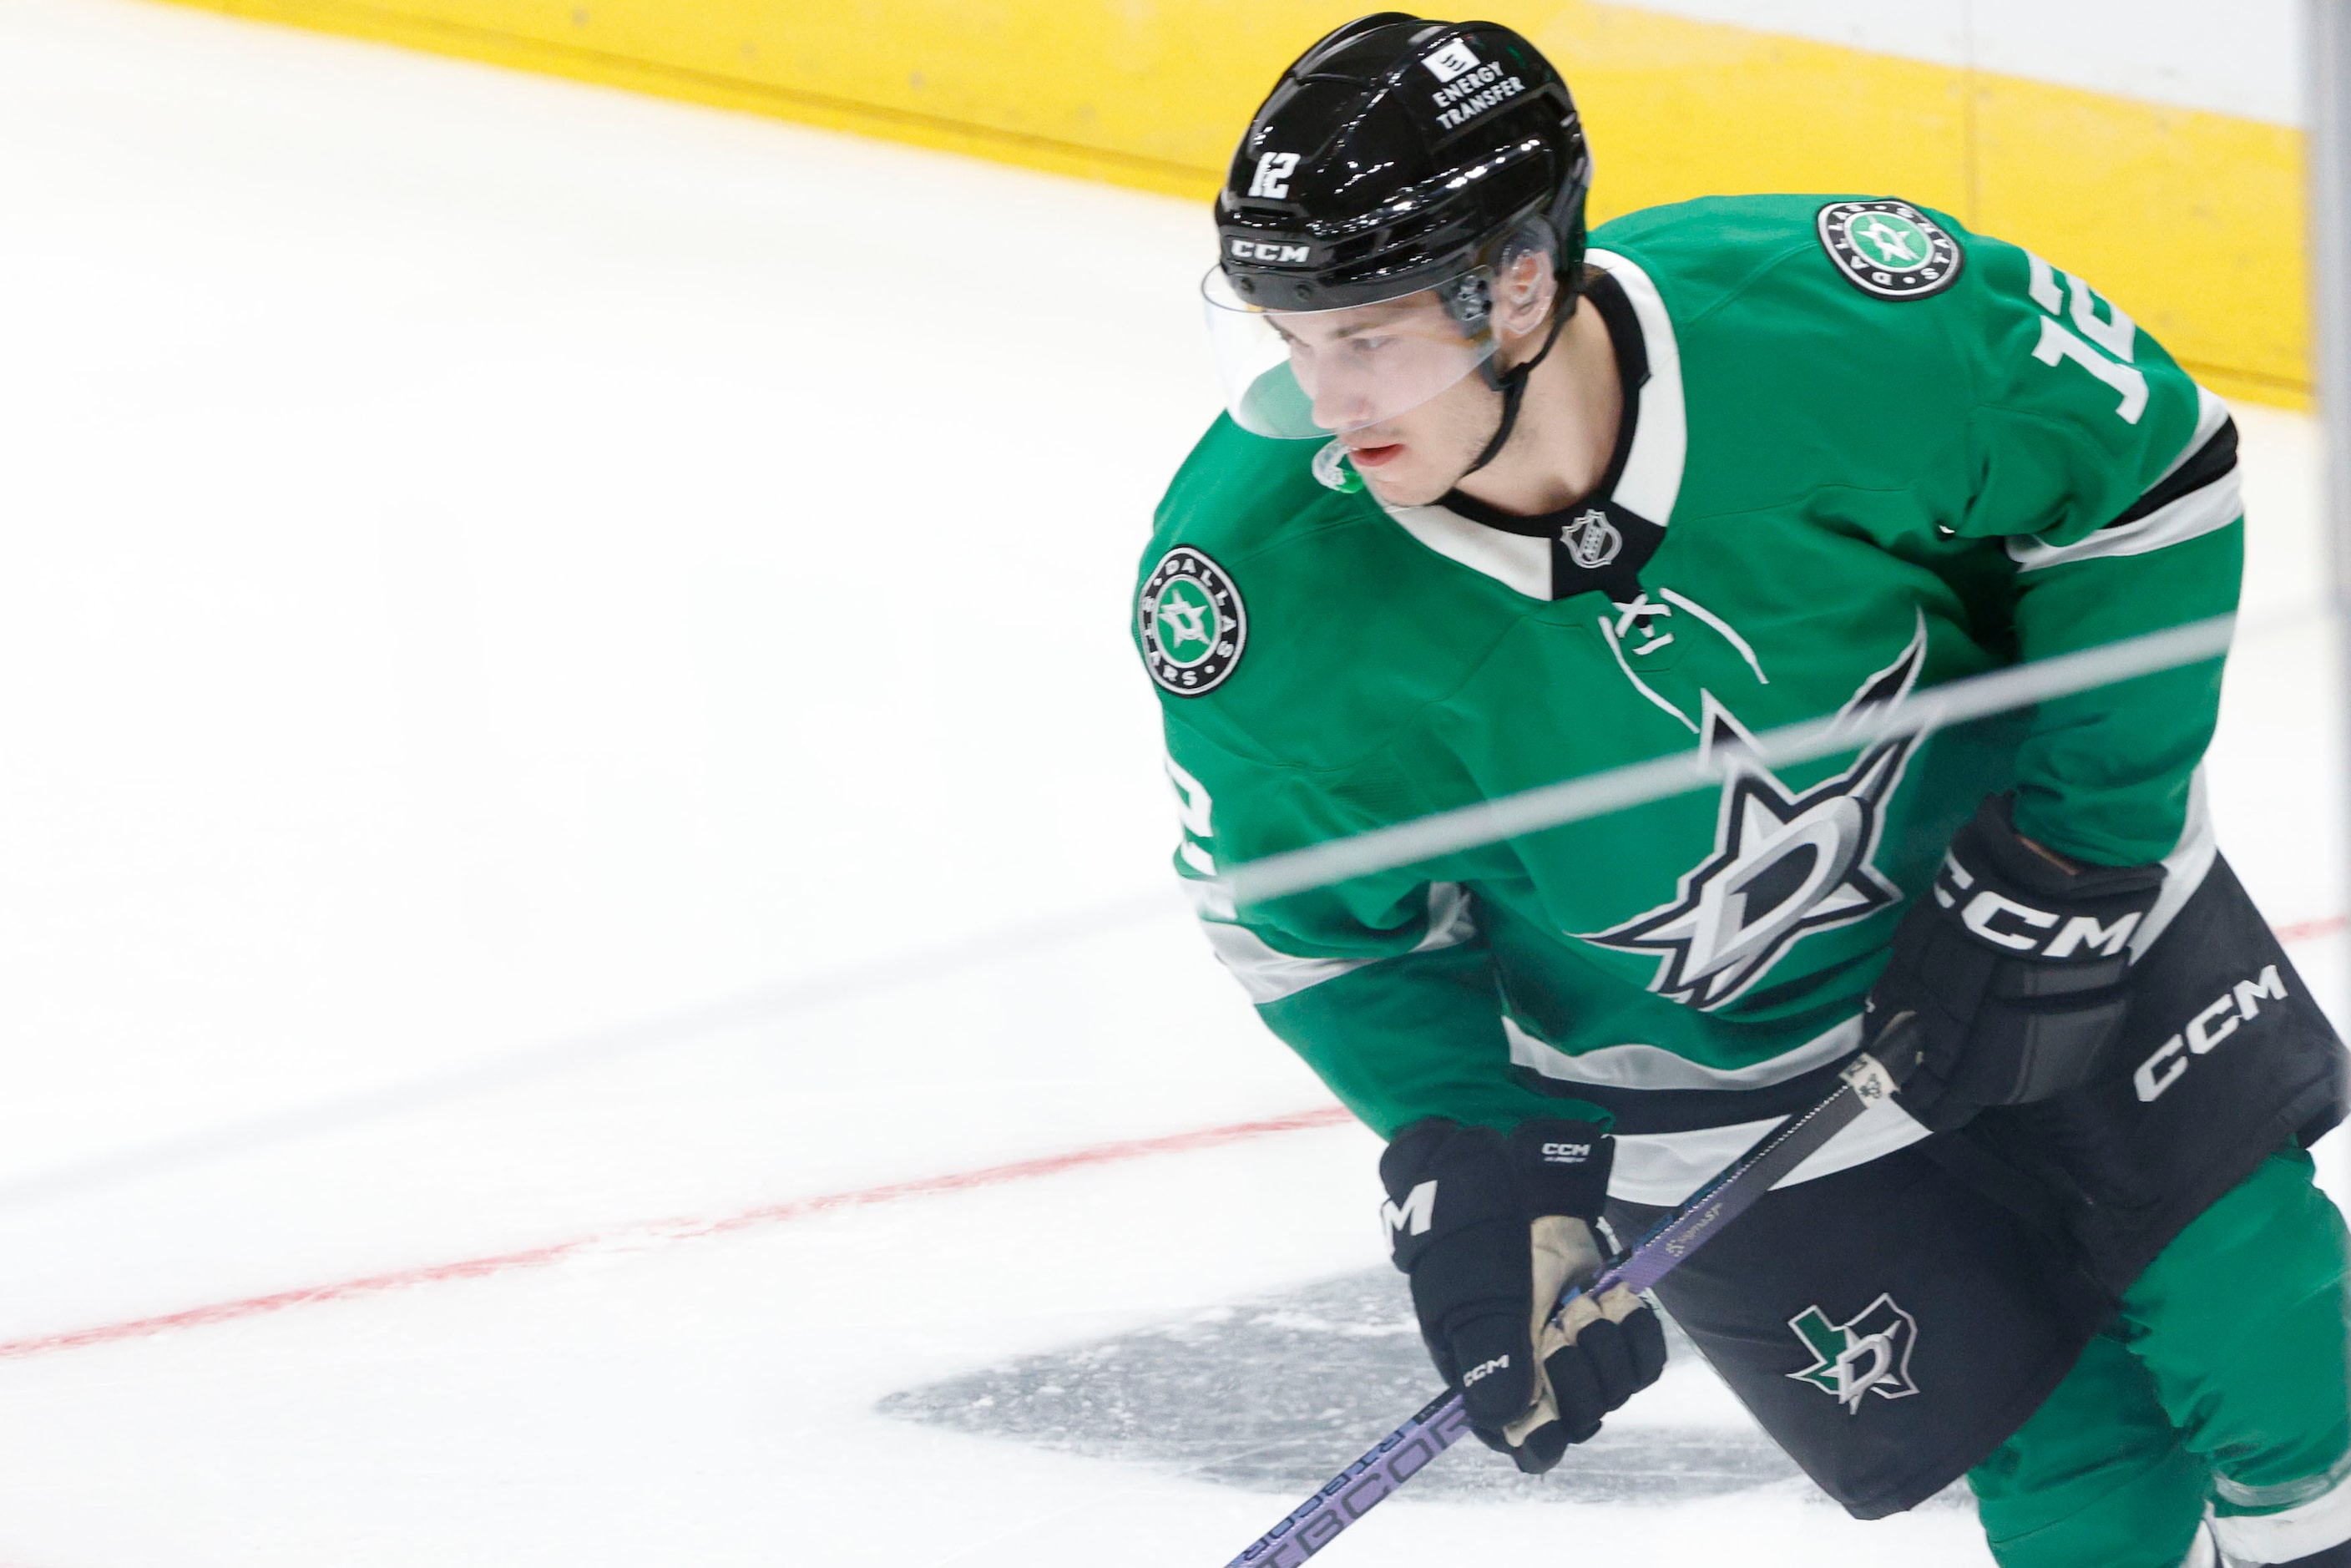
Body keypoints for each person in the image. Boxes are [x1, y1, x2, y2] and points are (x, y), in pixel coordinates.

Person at [1136, 13, 2351, 1566]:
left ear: (1515, 283)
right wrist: (1483, 1162)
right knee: (2078, 1478)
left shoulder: (1839, 320)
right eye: (1285, 336)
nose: (1323, 395)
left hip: (2043, 909)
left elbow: (2148, 481)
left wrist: (2081, 842)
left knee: (2270, 1334)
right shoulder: (1254, 596)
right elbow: (1315, 934)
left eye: (1364, 335)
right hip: (1703, 1095)